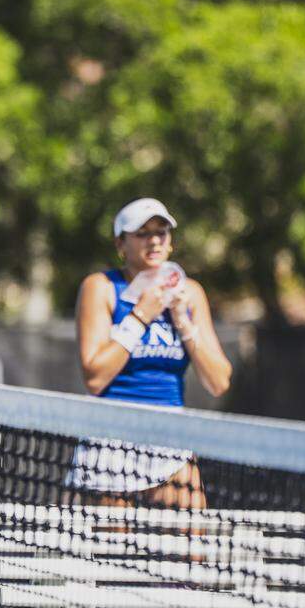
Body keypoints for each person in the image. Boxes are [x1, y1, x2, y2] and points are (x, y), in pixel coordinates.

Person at [74, 198, 232, 508]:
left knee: (191, 547)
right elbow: (94, 378)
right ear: (121, 243)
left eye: (162, 232)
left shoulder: (191, 293)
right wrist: (141, 316)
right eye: (143, 233)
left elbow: (219, 382)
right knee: (111, 551)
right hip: (112, 437)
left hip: (169, 436)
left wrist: (183, 321)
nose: (155, 240)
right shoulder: (102, 287)